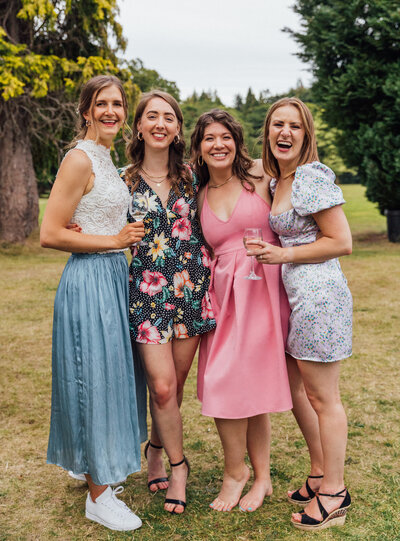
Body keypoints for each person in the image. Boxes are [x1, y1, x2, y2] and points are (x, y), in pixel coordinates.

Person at [40, 75, 146, 532]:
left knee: (111, 377)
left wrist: (112, 241)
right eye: (101, 103)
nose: (110, 111)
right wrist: (114, 239)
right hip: (88, 280)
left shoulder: (108, 160)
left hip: (113, 278)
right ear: (86, 109)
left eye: (118, 104)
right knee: (91, 378)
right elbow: (49, 232)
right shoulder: (79, 159)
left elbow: (87, 218)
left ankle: (100, 470)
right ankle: (98, 498)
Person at [247, 97, 352, 530]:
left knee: (325, 399)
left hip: (320, 298)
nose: (284, 133)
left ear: (306, 134)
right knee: (296, 393)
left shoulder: (310, 177)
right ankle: (316, 473)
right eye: (276, 125)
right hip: (294, 299)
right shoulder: (278, 179)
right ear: (268, 132)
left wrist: (282, 253)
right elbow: (238, 161)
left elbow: (341, 240)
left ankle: (335, 492)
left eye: (293, 126)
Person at [190, 109, 292, 513]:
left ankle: (259, 477)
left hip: (263, 291)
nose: (219, 145)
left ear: (237, 141)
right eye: (210, 138)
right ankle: (237, 471)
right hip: (223, 297)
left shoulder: (258, 177)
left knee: (253, 387)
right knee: (221, 381)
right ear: (199, 147)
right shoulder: (198, 194)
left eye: (226, 137)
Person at [119, 90, 216, 514]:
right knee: (161, 387)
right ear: (138, 125)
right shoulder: (121, 181)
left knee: (172, 391)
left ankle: (155, 448)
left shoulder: (196, 176)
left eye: (169, 117)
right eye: (151, 116)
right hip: (146, 295)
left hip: (191, 292)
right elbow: (93, 220)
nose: (160, 123)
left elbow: (247, 179)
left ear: (178, 127)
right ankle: (179, 466)